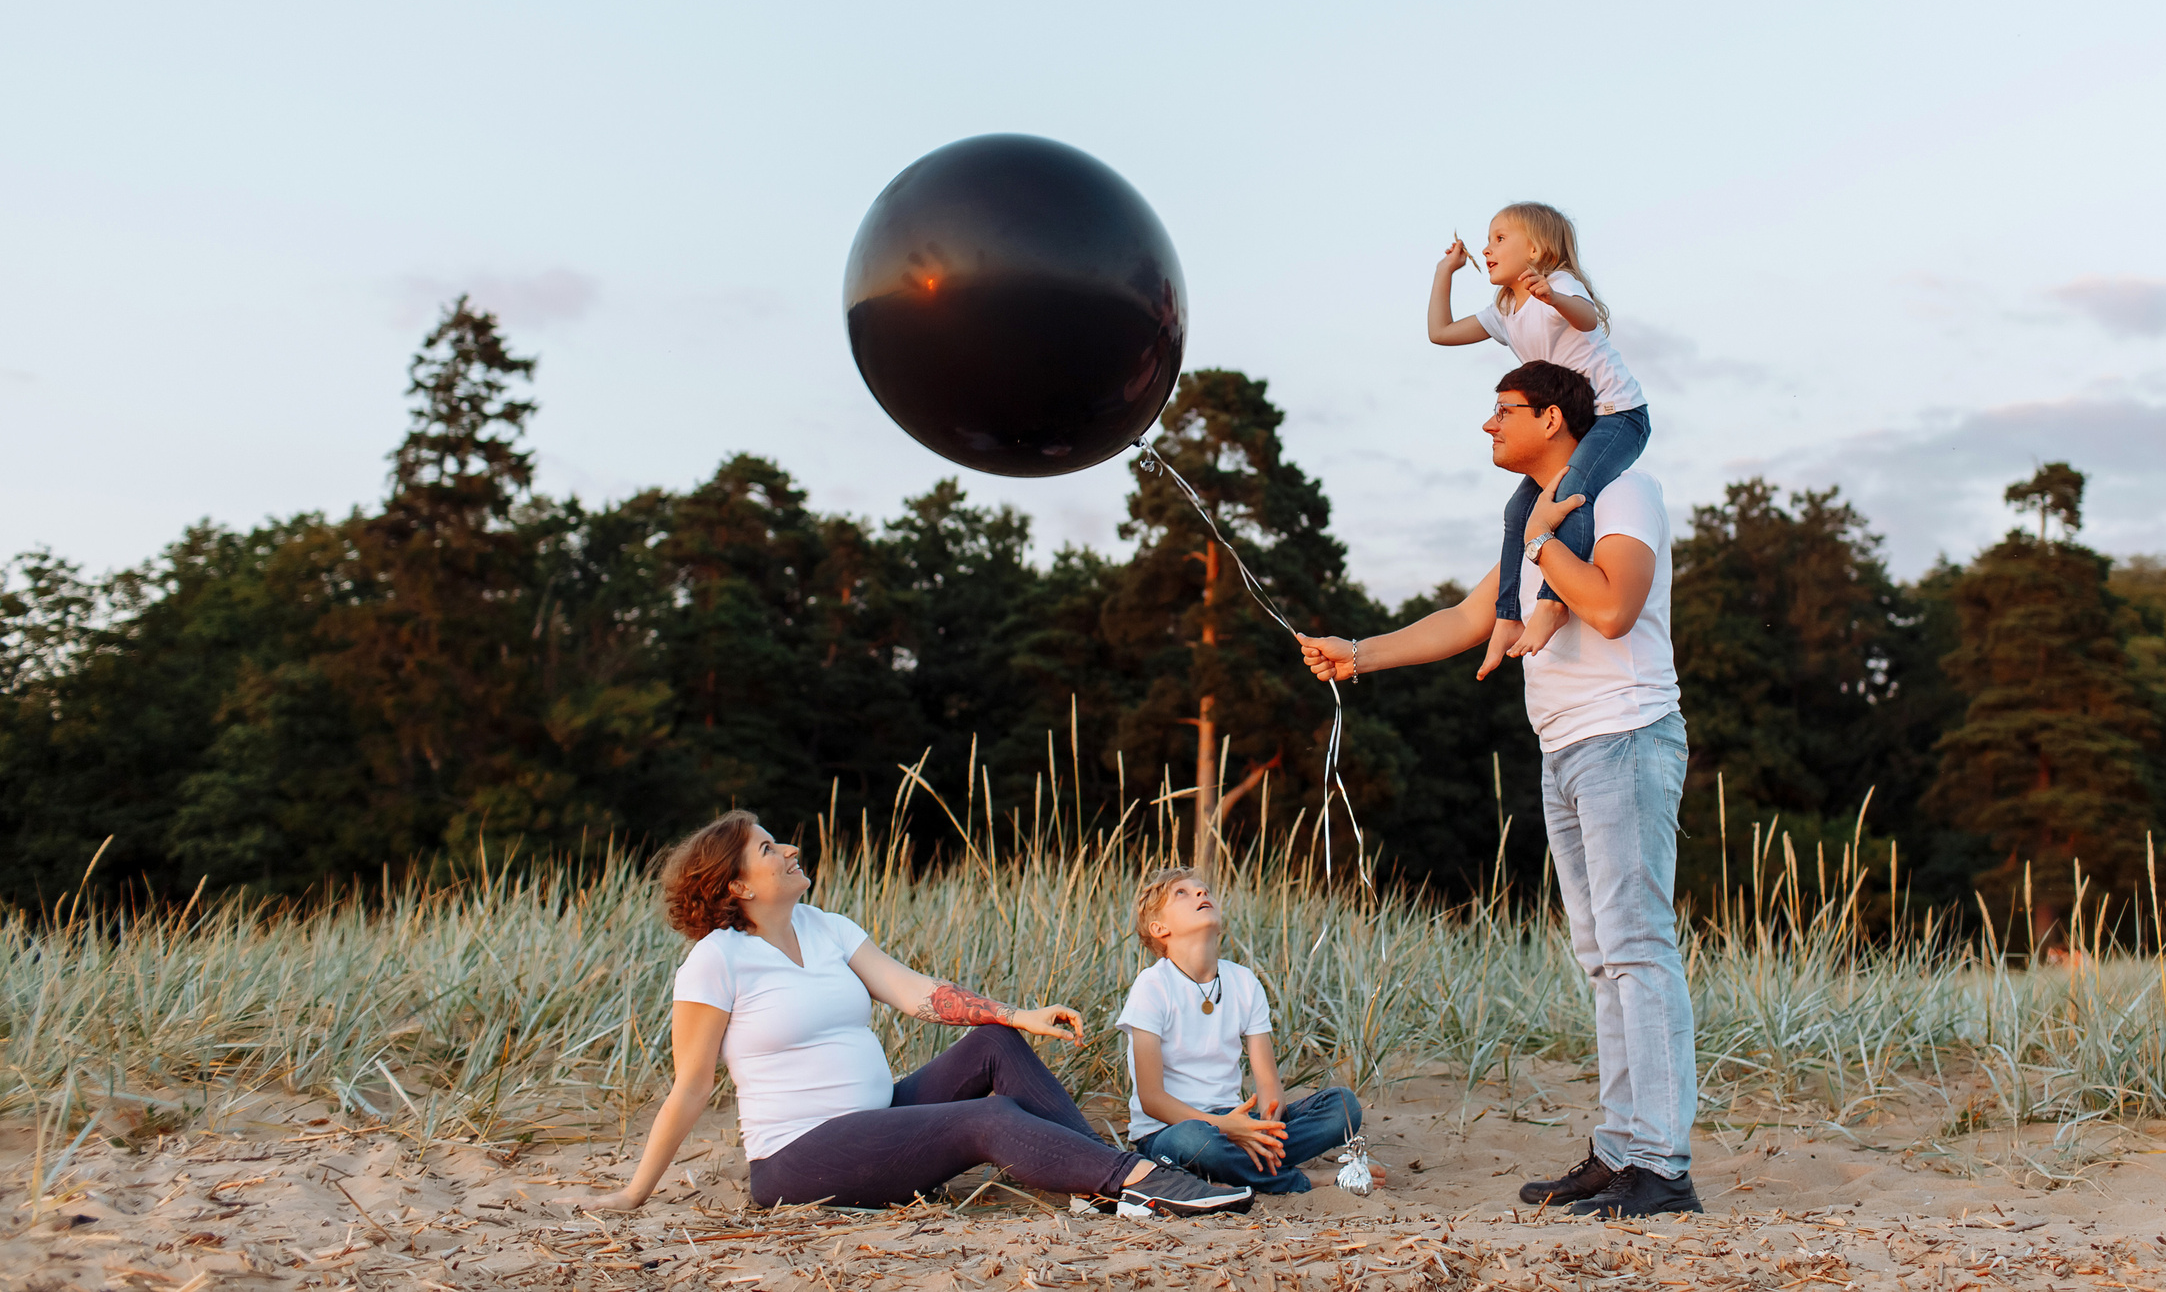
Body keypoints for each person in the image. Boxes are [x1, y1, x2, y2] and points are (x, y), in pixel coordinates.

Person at [1296, 361, 1699, 1219]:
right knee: (1601, 959)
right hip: (1567, 750)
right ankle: (1623, 1150)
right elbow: (1470, 618)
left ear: (1553, 418)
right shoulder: (1534, 521)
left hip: (1625, 735)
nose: (1488, 425)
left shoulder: (1624, 493)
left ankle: (1662, 1165)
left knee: (1637, 947)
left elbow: (1615, 607)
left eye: (1503, 410)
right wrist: (1356, 651)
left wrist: (1547, 540)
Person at [591, 812, 1254, 1217]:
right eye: (767, 849)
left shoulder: (825, 927)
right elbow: (691, 1086)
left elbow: (916, 993)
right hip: (796, 1156)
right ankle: (1141, 1182)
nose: (789, 849)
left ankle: (1096, 1181)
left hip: (881, 1118)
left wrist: (1016, 1013)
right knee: (986, 1118)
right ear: (737, 885)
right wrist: (632, 1193)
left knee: (994, 1045)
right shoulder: (715, 960)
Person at [1424, 203, 1650, 678]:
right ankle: (1508, 615)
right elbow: (1440, 333)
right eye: (1487, 240)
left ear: (1536, 249)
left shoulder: (1554, 285)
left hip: (1618, 416)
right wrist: (1446, 270)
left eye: (1500, 238)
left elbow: (1587, 319)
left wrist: (1552, 297)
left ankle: (1551, 603)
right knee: (1516, 513)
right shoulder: (1504, 310)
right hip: (1576, 430)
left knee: (1570, 494)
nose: (1487, 248)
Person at [1115, 866, 1364, 1195]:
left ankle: (1239, 1169)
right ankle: (1299, 1180)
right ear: (1159, 928)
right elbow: (1151, 1099)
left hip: (1236, 1119)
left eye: (1203, 889)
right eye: (1182, 893)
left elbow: (1268, 1083)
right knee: (1197, 1142)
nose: (1201, 894)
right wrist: (1226, 1128)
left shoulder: (1243, 981)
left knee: (1344, 1107)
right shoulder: (1152, 986)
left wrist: (1265, 1131)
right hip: (1171, 1131)